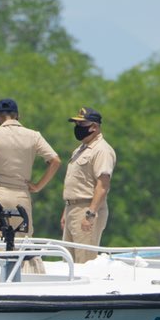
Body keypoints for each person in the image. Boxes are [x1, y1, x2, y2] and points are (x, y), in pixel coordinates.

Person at [0, 97, 60, 244]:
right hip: (21, 194)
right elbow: (55, 161)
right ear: (18, 116)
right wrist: (38, 186)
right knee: (22, 244)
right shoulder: (34, 136)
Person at [60, 106, 116, 262]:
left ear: (94, 127)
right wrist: (67, 211)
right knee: (68, 263)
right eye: (76, 124)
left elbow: (103, 185)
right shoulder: (80, 149)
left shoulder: (102, 150)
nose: (78, 128)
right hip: (73, 208)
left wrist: (91, 214)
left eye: (82, 125)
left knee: (83, 262)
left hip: (87, 209)